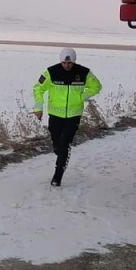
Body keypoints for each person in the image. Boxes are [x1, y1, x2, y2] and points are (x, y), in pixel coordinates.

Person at [32, 48, 102, 187]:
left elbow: (97, 86)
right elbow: (37, 89)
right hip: (55, 114)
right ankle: (61, 152)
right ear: (61, 61)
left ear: (74, 61)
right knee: (57, 144)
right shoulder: (51, 72)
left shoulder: (83, 72)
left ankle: (57, 176)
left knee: (64, 144)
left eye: (70, 63)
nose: (67, 65)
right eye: (64, 63)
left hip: (73, 115)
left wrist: (82, 97)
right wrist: (38, 108)